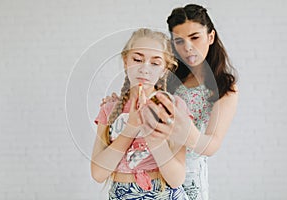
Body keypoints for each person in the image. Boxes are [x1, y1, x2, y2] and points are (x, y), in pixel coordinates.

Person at [100, 4, 239, 200]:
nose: (188, 47)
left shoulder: (224, 87)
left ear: (211, 36)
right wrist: (118, 106)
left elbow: (212, 145)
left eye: (195, 37)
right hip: (155, 172)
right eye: (179, 41)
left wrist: (184, 130)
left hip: (190, 176)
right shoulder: (167, 77)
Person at [91, 28, 189, 200]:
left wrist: (151, 133)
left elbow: (176, 179)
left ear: (165, 69)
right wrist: (131, 128)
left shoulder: (174, 107)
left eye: (155, 63)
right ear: (125, 61)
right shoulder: (109, 109)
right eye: (137, 59)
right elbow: (98, 173)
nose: (145, 69)